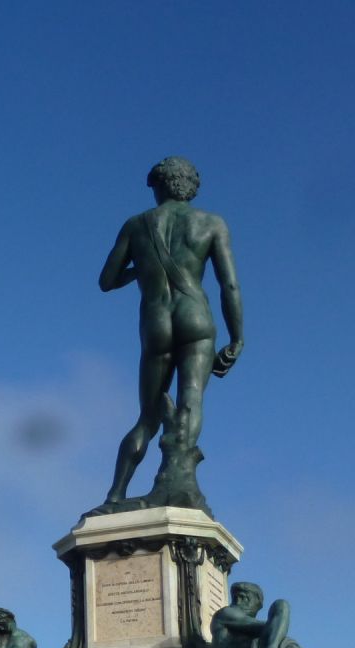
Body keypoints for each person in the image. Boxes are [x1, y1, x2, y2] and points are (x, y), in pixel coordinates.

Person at [88, 155, 243, 516]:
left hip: (156, 322)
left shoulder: (136, 225)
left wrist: (140, 270)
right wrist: (237, 337)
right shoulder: (212, 223)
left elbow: (107, 281)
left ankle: (114, 496)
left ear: (159, 187)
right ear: (189, 187)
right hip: (196, 318)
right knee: (190, 402)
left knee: (147, 416)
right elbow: (229, 284)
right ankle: (179, 480)